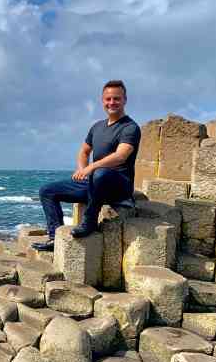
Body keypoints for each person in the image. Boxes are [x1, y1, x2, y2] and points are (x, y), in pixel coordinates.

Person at [32, 80, 141, 252]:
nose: (112, 103)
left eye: (116, 99)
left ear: (125, 100)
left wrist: (91, 168)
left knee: (101, 174)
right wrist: (82, 169)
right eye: (108, 99)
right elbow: (83, 151)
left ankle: (89, 222)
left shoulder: (130, 127)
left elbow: (120, 156)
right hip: (94, 184)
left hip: (118, 187)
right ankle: (54, 238)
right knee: (47, 190)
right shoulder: (97, 127)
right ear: (102, 101)